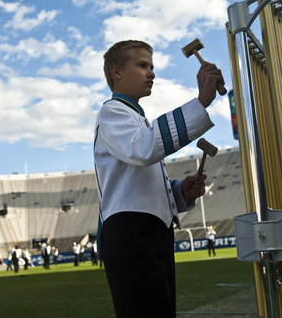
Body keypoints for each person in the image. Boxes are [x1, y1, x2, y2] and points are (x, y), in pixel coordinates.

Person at [94, 40, 223, 317]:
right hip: (131, 229)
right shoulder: (112, 111)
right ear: (115, 72)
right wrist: (201, 102)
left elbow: (139, 180)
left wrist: (180, 191)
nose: (151, 72)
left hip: (147, 228)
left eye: (151, 66)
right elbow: (143, 149)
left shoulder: (137, 119)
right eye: (142, 65)